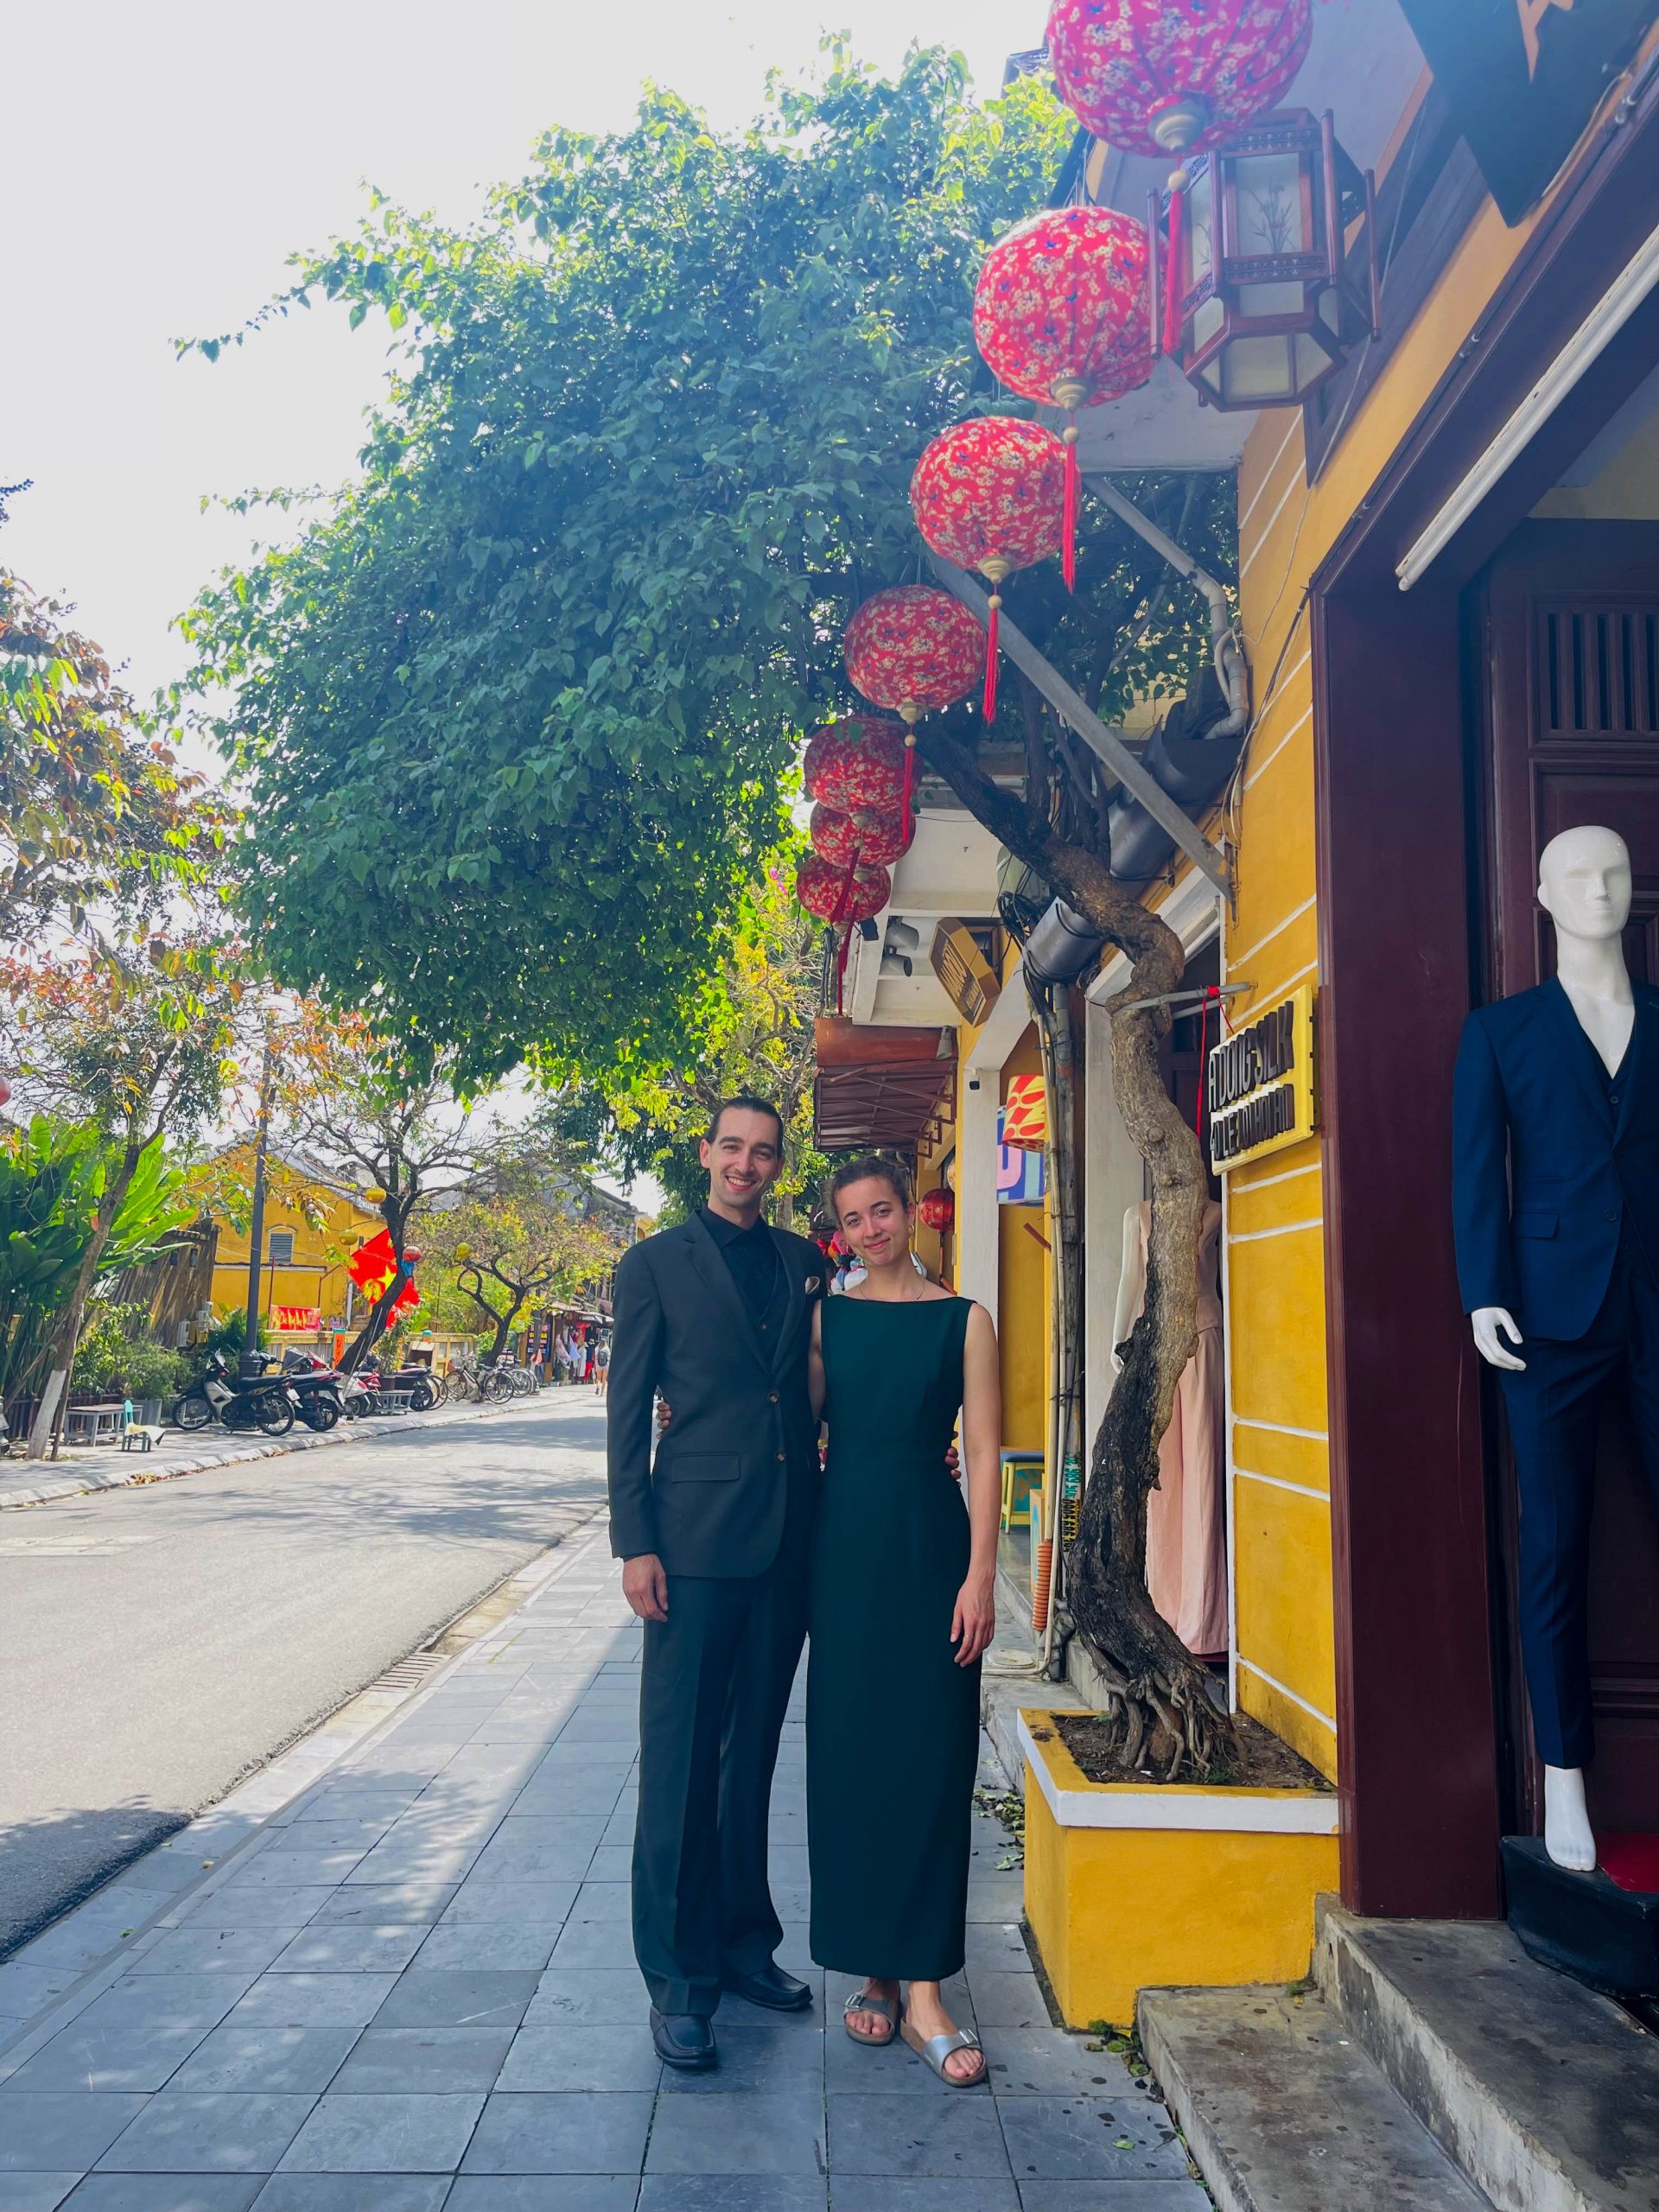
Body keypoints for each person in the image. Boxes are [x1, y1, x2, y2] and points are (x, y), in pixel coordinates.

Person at [607, 1097, 825, 2073]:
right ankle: (680, 1979)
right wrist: (634, 1541)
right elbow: (624, 1413)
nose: (746, 1163)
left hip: (786, 1544)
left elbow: (814, 1388)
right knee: (684, 1762)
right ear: (705, 1153)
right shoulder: (652, 1265)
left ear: (779, 1167)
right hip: (688, 1546)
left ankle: (744, 1948)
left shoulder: (800, 1262)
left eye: (764, 1153)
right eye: (732, 1147)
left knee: (752, 1764)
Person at [807, 1154, 1000, 2086]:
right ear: (841, 1231)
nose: (873, 1228)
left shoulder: (965, 1319)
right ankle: (872, 1968)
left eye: (883, 1209)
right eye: (854, 1218)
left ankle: (924, 1986)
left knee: (931, 1757)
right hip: (842, 1555)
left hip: (931, 1551)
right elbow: (791, 1424)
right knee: (853, 1758)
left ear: (908, 1214)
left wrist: (982, 1574)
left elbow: (989, 1452)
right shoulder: (825, 1316)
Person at [593, 1332, 611, 1398]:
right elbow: (609, 1358)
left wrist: (596, 1365)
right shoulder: (607, 1349)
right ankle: (602, 1393)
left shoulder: (597, 1348)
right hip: (606, 1365)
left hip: (599, 1364)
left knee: (598, 1378)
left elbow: (596, 1358)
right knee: (604, 1380)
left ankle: (598, 1386)